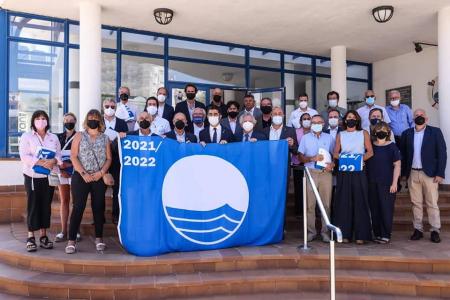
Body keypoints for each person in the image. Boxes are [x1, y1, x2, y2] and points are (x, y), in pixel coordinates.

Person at [65, 109, 112, 254]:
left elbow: (109, 158)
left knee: (98, 208)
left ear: (100, 121)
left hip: (98, 177)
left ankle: (99, 239)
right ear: (86, 120)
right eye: (90, 117)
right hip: (81, 176)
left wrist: (101, 173)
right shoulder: (79, 135)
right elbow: (73, 156)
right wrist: (83, 173)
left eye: (96, 117)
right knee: (78, 207)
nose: (93, 120)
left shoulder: (105, 138)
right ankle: (71, 241)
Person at [400, 109, 447, 243]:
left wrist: (440, 173)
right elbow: (403, 154)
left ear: (426, 118)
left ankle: (435, 230)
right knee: (416, 203)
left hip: (430, 174)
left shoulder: (435, 132)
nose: (419, 117)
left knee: (432, 203)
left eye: (421, 115)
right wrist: (404, 174)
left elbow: (442, 153)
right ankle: (418, 229)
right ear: (413, 118)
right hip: (413, 173)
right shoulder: (407, 134)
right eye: (416, 116)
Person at [19, 110, 62, 252]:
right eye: (38, 118)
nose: (41, 121)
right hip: (32, 177)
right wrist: (41, 162)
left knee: (46, 206)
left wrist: (54, 160)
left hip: (48, 178)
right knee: (33, 205)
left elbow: (58, 155)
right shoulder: (27, 136)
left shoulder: (53, 137)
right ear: (33, 121)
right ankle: (31, 236)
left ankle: (43, 236)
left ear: (47, 121)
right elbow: (24, 156)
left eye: (44, 118)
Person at [333, 110, 373, 244]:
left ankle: (361, 235)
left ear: (357, 120)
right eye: (349, 117)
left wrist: (358, 160)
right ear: (344, 120)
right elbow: (335, 153)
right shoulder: (340, 134)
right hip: (344, 171)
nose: (351, 119)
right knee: (343, 201)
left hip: (359, 170)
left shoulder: (363, 133)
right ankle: (344, 234)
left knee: (360, 200)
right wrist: (347, 159)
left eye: (353, 117)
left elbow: (370, 152)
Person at [298, 115, 335, 242]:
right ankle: (311, 232)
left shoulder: (329, 137)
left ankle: (325, 232)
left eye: (319, 122)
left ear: (323, 123)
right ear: (311, 124)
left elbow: (334, 155)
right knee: (310, 205)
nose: (316, 124)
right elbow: (300, 157)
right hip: (310, 172)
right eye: (314, 122)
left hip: (325, 173)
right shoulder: (305, 138)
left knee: (326, 204)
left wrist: (332, 164)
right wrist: (311, 159)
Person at [367, 121, 401, 244]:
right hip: (372, 182)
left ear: (387, 133)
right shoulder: (371, 146)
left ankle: (386, 234)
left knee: (386, 209)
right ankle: (377, 234)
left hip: (387, 184)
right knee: (374, 209)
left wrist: (394, 183)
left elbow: (397, 166)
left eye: (384, 130)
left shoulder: (392, 146)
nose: (381, 132)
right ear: (375, 132)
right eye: (379, 130)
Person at [55, 112, 80, 242]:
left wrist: (71, 165)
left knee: (76, 202)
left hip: (76, 172)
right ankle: (63, 230)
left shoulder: (80, 136)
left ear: (75, 121)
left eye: (71, 120)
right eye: (66, 120)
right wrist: (61, 167)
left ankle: (75, 231)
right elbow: (55, 154)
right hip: (62, 172)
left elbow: (82, 155)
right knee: (64, 200)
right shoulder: (58, 137)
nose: (68, 122)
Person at [103, 98, 128, 225]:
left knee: (117, 188)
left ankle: (116, 215)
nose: (110, 108)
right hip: (101, 161)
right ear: (103, 106)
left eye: (113, 107)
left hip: (117, 160)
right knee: (99, 189)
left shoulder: (122, 123)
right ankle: (99, 217)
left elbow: (126, 142)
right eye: (107, 106)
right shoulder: (98, 122)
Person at [291, 113, 312, 216]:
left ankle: (311, 211)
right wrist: (299, 152)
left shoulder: (314, 131)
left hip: (311, 163)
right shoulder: (295, 132)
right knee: (299, 188)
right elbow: (293, 145)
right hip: (298, 163)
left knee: (311, 188)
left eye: (308, 119)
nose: (306, 120)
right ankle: (299, 211)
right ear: (300, 122)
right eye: (304, 119)